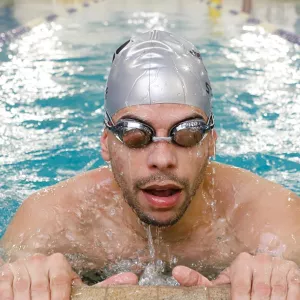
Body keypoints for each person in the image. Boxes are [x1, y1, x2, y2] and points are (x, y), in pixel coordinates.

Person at [1, 30, 300, 299]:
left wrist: (278, 279)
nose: (162, 160)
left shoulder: (271, 219)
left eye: (187, 135)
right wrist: (27, 281)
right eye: (135, 136)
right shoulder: (49, 220)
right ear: (106, 143)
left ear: (211, 143)